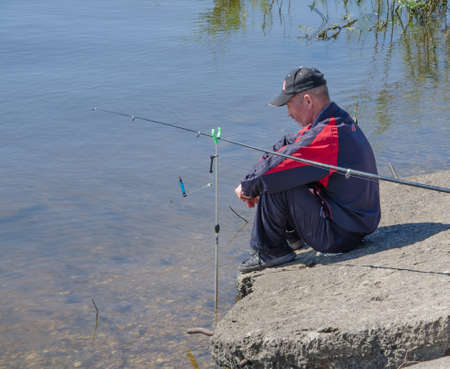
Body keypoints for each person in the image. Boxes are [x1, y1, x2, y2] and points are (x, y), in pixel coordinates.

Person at [235, 66, 381, 273]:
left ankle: (271, 251)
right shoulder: (335, 120)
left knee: (276, 179)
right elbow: (286, 144)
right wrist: (251, 178)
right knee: (284, 169)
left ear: (307, 100)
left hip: (340, 234)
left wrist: (249, 187)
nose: (288, 113)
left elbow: (275, 168)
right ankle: (293, 238)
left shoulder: (327, 136)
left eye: (288, 105)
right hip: (353, 223)